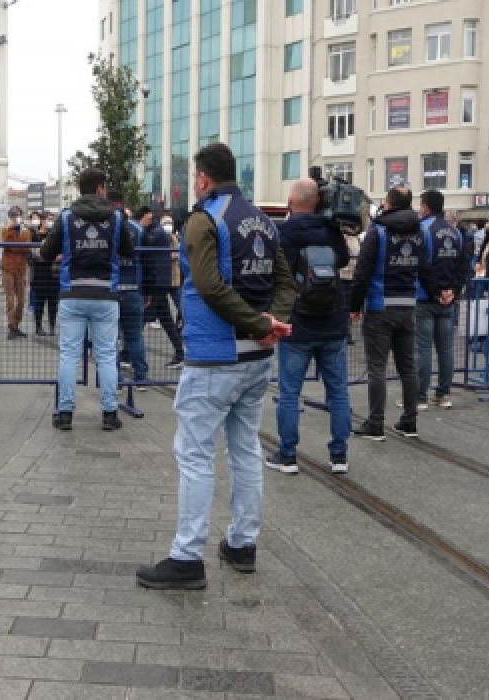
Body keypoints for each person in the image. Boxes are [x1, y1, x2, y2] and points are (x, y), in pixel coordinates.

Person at [136, 143, 294, 590]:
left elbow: (207, 285)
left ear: (202, 179)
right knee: (244, 448)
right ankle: (242, 543)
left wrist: (261, 322)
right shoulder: (263, 221)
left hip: (214, 356)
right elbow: (285, 281)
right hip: (257, 356)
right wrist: (272, 324)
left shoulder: (204, 220)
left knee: (195, 453)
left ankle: (187, 556)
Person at [39, 168, 136, 432]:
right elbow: (129, 251)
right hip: (106, 294)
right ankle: (109, 413)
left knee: (69, 355)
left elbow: (46, 252)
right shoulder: (116, 218)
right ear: (100, 189)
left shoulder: (67, 217)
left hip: (73, 294)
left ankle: (65, 413)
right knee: (106, 355)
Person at [267, 178, 352, 475]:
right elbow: (341, 260)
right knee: (338, 391)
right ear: (318, 202)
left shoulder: (283, 232)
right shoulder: (332, 230)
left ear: (291, 203)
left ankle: (287, 455)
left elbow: (276, 272)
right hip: (332, 321)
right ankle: (339, 456)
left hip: (297, 324)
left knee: (289, 392)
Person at [350, 185, 434, 440]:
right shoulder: (420, 232)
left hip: (379, 306)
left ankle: (375, 423)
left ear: (388, 202)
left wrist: (354, 305)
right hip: (408, 305)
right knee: (407, 367)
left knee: (377, 368)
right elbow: (425, 267)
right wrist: (438, 291)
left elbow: (362, 271)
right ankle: (409, 421)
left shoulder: (378, 232)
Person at [414, 190, 472, 410]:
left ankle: (420, 396)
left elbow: (422, 266)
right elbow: (462, 265)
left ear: (426, 206)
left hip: (426, 296)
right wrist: (453, 291)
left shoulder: (423, 229)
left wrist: (436, 291)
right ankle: (443, 394)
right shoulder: (455, 232)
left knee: (424, 348)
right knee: (445, 348)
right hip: (448, 298)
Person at [140, 208, 185, 367]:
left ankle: (127, 354)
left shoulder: (156, 233)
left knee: (143, 318)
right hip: (159, 281)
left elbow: (145, 241)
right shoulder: (155, 232)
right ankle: (180, 352)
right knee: (166, 319)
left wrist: (140, 227)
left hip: (158, 282)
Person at [118, 206, 149, 388]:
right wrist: (147, 290)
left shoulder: (107, 227)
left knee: (110, 339)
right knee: (135, 336)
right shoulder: (138, 229)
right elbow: (147, 260)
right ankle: (140, 377)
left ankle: (116, 380)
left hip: (112, 289)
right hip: (133, 287)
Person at [0, 212, 32, 339]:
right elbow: (5, 244)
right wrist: (11, 228)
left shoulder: (26, 232)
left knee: (21, 300)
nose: (15, 219)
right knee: (10, 298)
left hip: (21, 268)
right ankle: (11, 326)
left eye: (17, 216)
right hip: (8, 267)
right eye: (13, 216)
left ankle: (17, 324)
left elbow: (26, 247)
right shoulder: (5, 230)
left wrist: (18, 236)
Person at [30, 212, 60, 337]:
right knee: (40, 301)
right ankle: (38, 326)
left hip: (53, 272)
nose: (49, 222)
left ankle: (52, 326)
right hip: (40, 271)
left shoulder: (56, 235)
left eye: (52, 219)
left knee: (53, 302)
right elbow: (33, 253)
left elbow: (60, 251)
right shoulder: (34, 235)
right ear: (42, 221)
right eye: (48, 219)